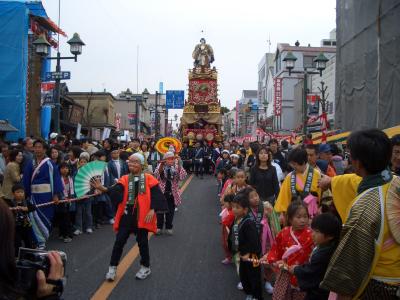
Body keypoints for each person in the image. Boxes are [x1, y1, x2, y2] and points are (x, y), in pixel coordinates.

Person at [321, 129, 400, 299]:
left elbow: (351, 262)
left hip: (380, 285)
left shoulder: (366, 204)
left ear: (357, 163)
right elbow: (353, 181)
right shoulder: (395, 181)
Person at [91, 153, 167, 281]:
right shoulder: (125, 179)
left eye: (135, 162)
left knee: (142, 243)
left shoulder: (149, 178)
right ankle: (112, 268)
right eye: (130, 162)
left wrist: (153, 210)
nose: (132, 164)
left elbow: (157, 195)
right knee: (119, 242)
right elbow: (116, 190)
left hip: (142, 216)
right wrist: (102, 188)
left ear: (142, 164)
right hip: (127, 215)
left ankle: (145, 267)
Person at [0, 200, 65, 299]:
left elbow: (32, 208)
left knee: (28, 241)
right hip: (21, 229)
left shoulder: (25, 202)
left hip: (27, 227)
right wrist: (49, 295)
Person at [265, 201, 314, 300]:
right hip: (285, 272)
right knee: (281, 296)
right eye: (299, 217)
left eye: (305, 217)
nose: (303, 220)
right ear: (290, 219)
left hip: (302, 274)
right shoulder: (284, 233)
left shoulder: (312, 235)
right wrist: (272, 259)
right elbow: (276, 249)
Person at [288, 213, 341, 300]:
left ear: (330, 236)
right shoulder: (327, 246)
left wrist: (296, 269)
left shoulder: (323, 255)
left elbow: (310, 271)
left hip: (318, 293)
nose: (312, 234)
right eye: (312, 230)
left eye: (317, 232)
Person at [23, 139, 63, 249]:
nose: (37, 149)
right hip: (34, 196)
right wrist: (25, 194)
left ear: (45, 149)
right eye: (35, 147)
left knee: (46, 217)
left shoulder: (50, 163)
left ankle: (43, 240)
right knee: (34, 218)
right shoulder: (30, 163)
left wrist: (55, 194)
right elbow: (26, 179)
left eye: (40, 147)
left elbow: (56, 179)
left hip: (47, 196)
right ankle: (38, 242)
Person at [274, 148, 321, 221]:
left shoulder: (317, 174)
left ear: (303, 162)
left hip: (313, 216)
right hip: (294, 217)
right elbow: (284, 197)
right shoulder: (289, 177)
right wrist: (282, 214)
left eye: (295, 164)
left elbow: (324, 197)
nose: (293, 167)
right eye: (291, 164)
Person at [231, 192, 263, 300]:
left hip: (252, 255)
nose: (234, 209)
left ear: (245, 210)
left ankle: (257, 296)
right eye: (233, 207)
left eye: (237, 207)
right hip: (242, 254)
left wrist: (249, 253)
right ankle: (249, 293)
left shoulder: (249, 223)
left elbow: (254, 241)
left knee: (254, 276)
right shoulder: (236, 220)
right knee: (244, 276)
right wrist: (236, 250)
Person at [154, 152, 187, 235]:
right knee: (160, 212)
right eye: (168, 158)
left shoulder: (176, 166)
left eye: (172, 158)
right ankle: (159, 227)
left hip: (172, 193)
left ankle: (169, 227)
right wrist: (161, 165)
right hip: (161, 192)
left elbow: (183, 176)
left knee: (170, 212)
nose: (171, 160)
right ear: (165, 159)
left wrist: (179, 164)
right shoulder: (160, 166)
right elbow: (156, 176)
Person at [3, 184, 36, 256]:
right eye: (18, 192)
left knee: (29, 242)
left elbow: (34, 207)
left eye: (22, 192)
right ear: (13, 193)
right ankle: (17, 257)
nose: (20, 194)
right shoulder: (10, 202)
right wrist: (13, 209)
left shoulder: (26, 202)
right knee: (17, 243)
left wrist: (26, 208)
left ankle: (30, 256)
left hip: (27, 225)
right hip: (16, 227)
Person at [57, 163, 75, 243]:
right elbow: (57, 190)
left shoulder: (70, 178)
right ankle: (62, 233)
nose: (65, 170)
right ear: (59, 170)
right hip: (61, 201)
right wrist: (63, 198)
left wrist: (70, 197)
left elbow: (72, 189)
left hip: (69, 200)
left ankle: (68, 235)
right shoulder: (57, 178)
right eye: (62, 168)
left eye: (66, 168)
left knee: (67, 218)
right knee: (62, 218)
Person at [221, 194, 235, 264]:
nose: (224, 204)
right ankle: (230, 257)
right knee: (226, 243)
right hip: (226, 229)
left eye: (225, 202)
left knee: (226, 244)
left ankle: (229, 258)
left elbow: (225, 222)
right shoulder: (229, 210)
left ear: (231, 203)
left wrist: (223, 221)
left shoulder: (231, 213)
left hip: (228, 230)